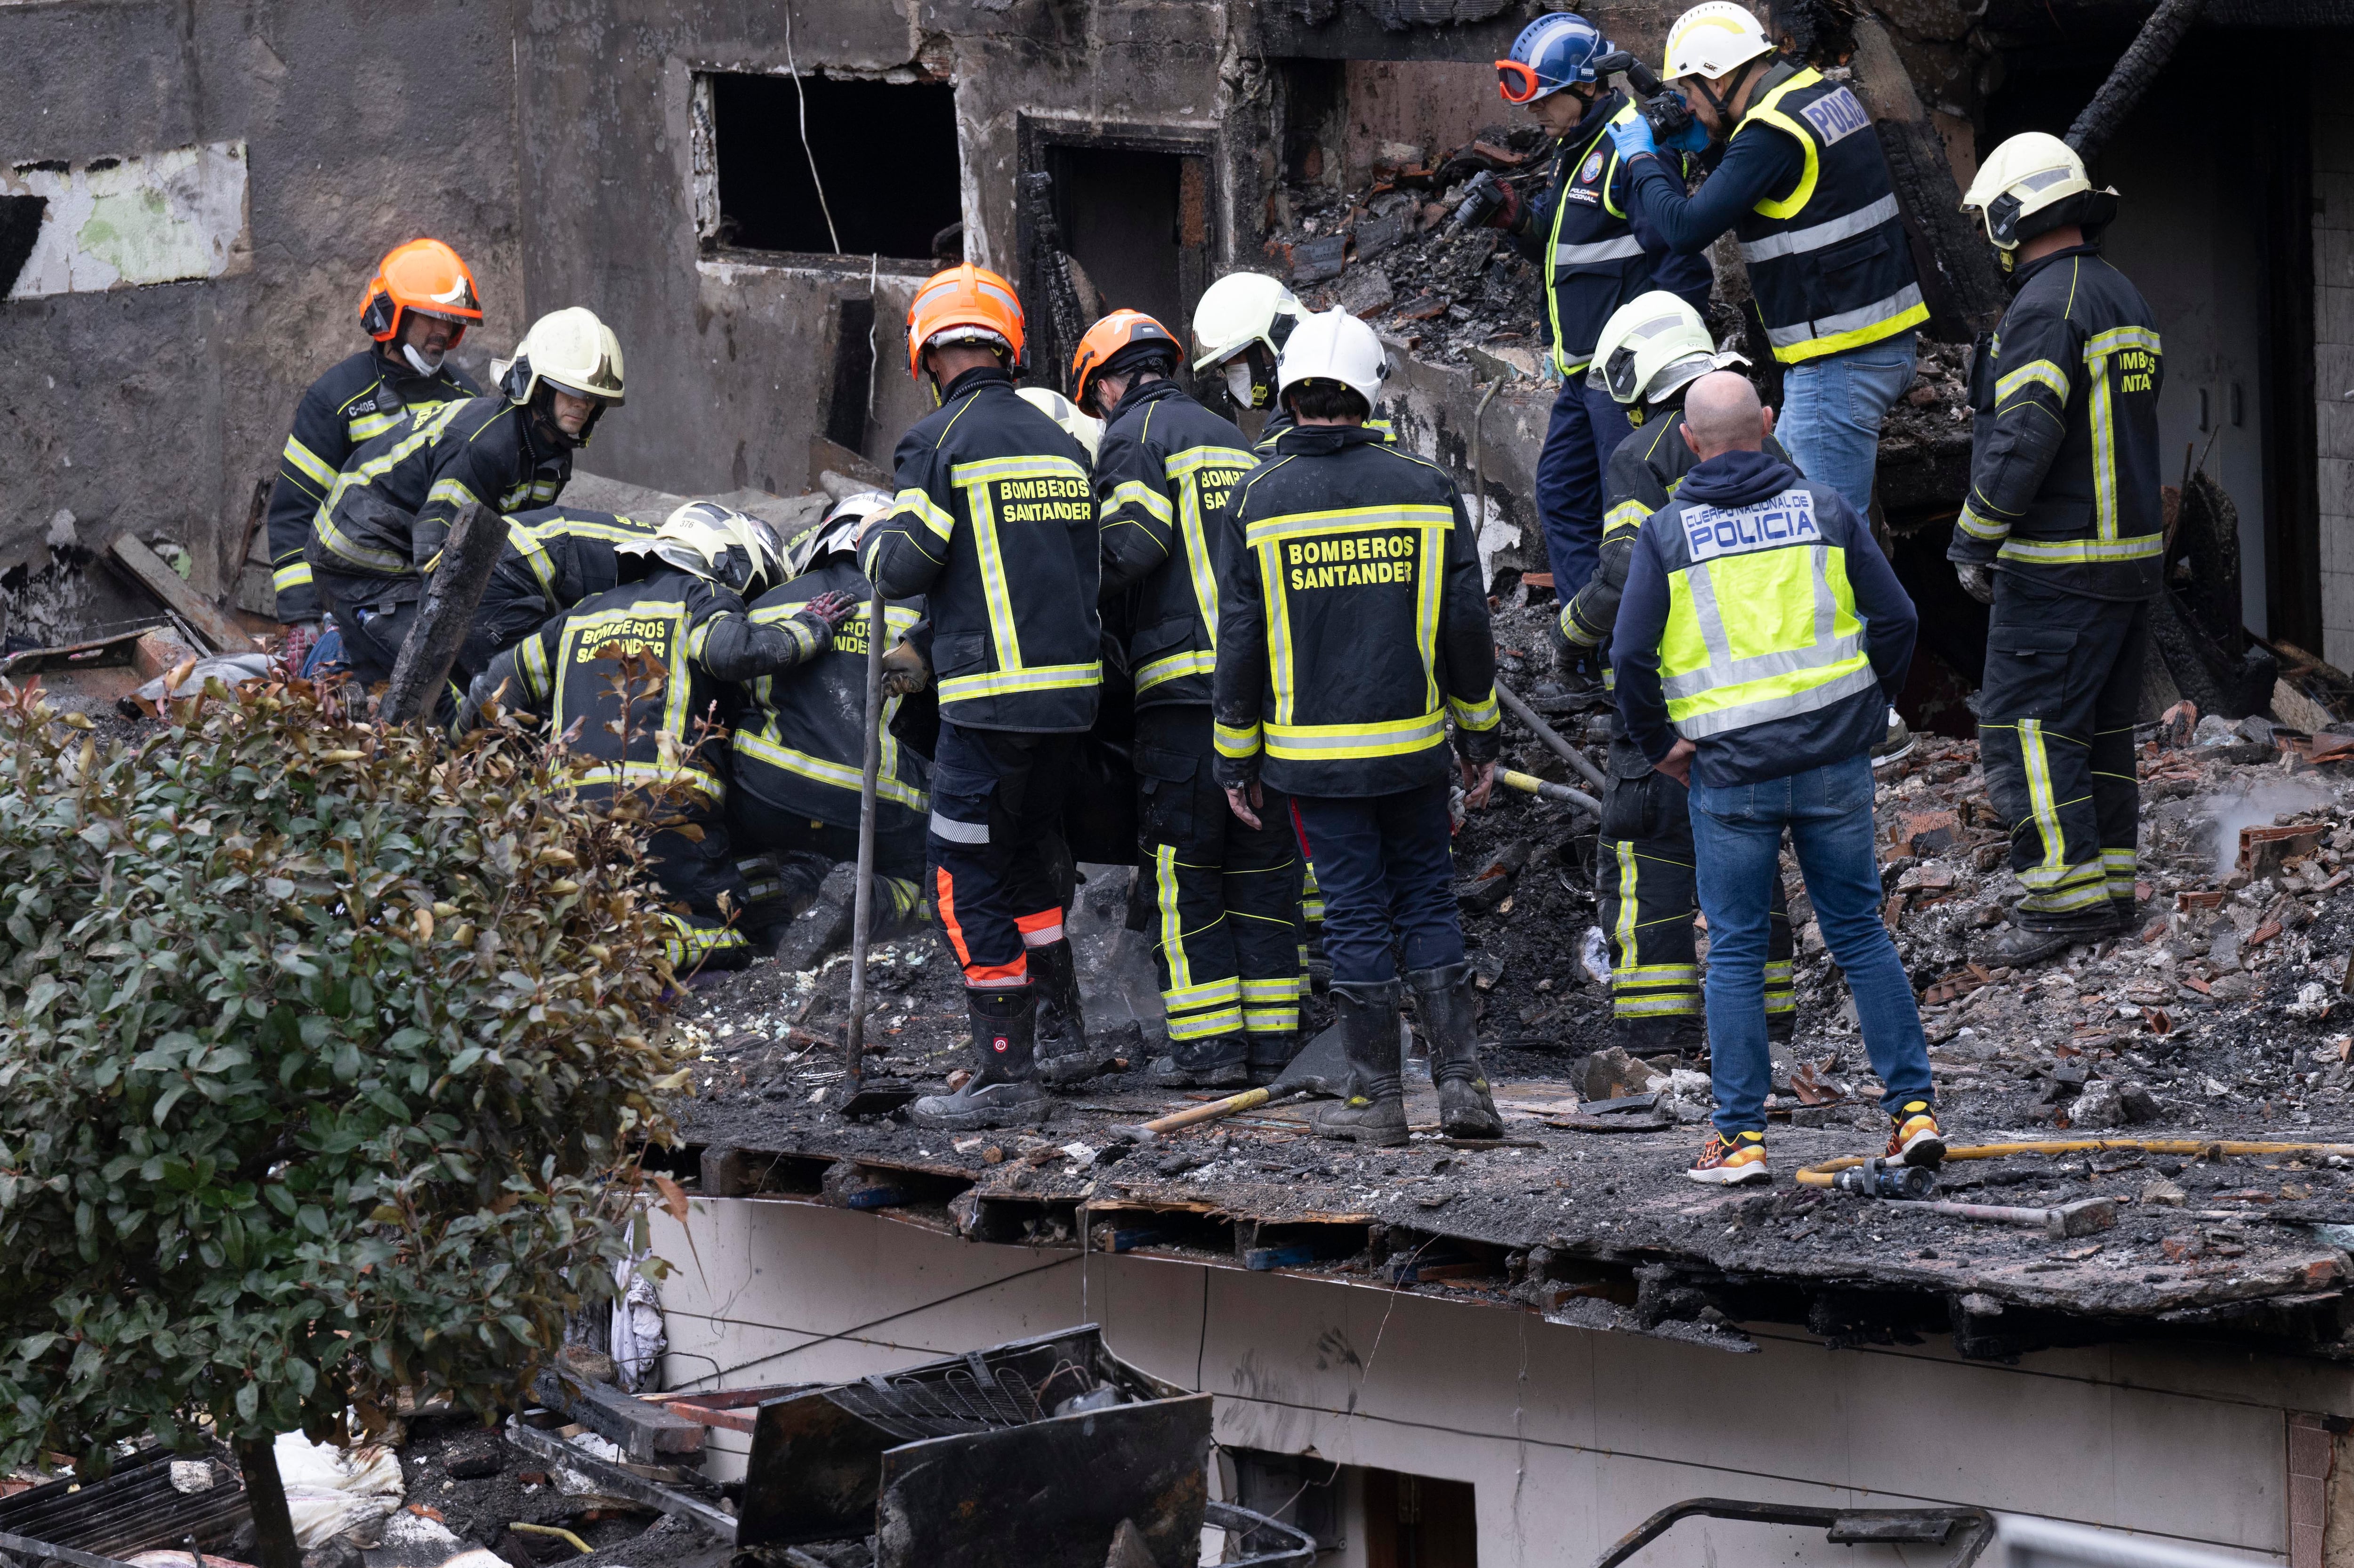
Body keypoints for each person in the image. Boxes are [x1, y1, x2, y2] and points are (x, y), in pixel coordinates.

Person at [1613, 371, 1940, 1184]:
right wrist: (1871, 711)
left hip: (1729, 774)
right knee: (1860, 933)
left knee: (1733, 951)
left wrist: (1660, 747)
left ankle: (1742, 1140)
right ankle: (1913, 1113)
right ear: (1768, 423)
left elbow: (1627, 657)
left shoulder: (1667, 532)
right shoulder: (1827, 511)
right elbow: (1899, 619)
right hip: (1834, 760)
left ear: (1689, 442)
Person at [1213, 310, 1505, 1145]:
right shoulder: (1424, 489)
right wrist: (1478, 739)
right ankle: (1463, 1091)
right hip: (1412, 755)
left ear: (1292, 391)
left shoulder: (1257, 500)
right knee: (1426, 900)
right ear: (1371, 390)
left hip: (1312, 767)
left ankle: (1378, 1101)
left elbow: (1241, 643)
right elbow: (1465, 629)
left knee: (1353, 914)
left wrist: (1235, 758)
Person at [866, 265, 1103, 1132]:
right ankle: (1062, 1034)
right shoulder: (1062, 444)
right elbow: (1055, 573)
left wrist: (873, 540)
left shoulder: (939, 440)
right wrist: (936, 641)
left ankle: (1005, 1071)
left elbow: (906, 566)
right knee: (1027, 858)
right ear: (1007, 344)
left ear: (926, 352)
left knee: (964, 877)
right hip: (1071, 702)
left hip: (991, 706)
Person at [1560, 293, 1801, 1050]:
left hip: (1677, 694)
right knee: (1749, 852)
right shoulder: (1771, 447)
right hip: (1765, 697)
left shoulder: (1646, 451)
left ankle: (1658, 1030)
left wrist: (1572, 628)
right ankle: (1771, 1024)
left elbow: (1627, 571)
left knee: (1646, 849)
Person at [1948, 133, 2161, 965]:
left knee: (2026, 727)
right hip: (2129, 559)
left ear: (2009, 216)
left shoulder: (2046, 308)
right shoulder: (2122, 293)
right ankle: (2107, 889)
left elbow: (2024, 435)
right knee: (2100, 732)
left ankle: (2063, 901)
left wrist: (1975, 535)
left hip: (2062, 562)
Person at [475, 502, 850, 969]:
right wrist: (807, 629)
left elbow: (492, 691)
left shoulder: (579, 614)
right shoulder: (701, 594)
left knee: (587, 914)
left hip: (566, 819)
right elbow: (727, 653)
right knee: (728, 937)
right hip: (662, 810)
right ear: (729, 561)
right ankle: (646, 954)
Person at [1080, 309, 1298, 1090]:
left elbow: (1133, 542)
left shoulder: (1132, 437)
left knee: (1183, 867)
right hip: (1263, 695)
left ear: (1106, 383)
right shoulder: (1232, 439)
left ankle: (1209, 1051)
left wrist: (1072, 590)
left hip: (1180, 695)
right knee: (1265, 864)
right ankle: (1275, 1044)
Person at [1607, 1, 1927, 518]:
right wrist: (1710, 150)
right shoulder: (1815, 93)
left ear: (1718, 76)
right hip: (1879, 338)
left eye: (1688, 90)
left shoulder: (1767, 132)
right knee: (1838, 527)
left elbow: (1683, 230)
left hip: (1836, 357)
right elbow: (1773, 188)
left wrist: (1642, 158)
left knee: (1824, 540)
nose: (1686, 105)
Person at [1484, 13, 1714, 682]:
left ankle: (1641, 657)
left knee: (1631, 519)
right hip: (1582, 373)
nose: (1536, 115)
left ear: (1586, 88)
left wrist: (1665, 369)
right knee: (1561, 493)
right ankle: (1599, 646)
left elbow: (1682, 260)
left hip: (1627, 382)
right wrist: (1518, 221)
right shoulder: (1576, 149)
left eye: (1545, 100)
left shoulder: (1630, 150)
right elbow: (1567, 247)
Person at [306, 306, 625, 685]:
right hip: (359, 555)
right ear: (537, 387)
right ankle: (340, 651)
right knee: (436, 677)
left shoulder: (553, 460)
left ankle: (363, 649)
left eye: (591, 397)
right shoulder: (488, 445)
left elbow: (519, 544)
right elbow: (438, 549)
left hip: (404, 551)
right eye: (570, 390)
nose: (581, 404)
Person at [732, 492, 934, 970]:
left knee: (752, 826)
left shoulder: (764, 606)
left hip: (775, 799)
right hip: (879, 806)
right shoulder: (921, 611)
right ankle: (877, 900)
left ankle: (774, 901)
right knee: (932, 881)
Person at [263, 239, 484, 657]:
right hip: (352, 603)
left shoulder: (467, 399)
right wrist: (303, 619)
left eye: (452, 320)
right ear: (392, 317)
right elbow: (295, 514)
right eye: (431, 315)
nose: (443, 330)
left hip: (440, 598)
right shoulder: (336, 399)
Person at [454, 507, 655, 686]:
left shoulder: (662, 546)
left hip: (488, 557)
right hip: (503, 571)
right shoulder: (676, 576)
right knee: (534, 699)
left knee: (487, 694)